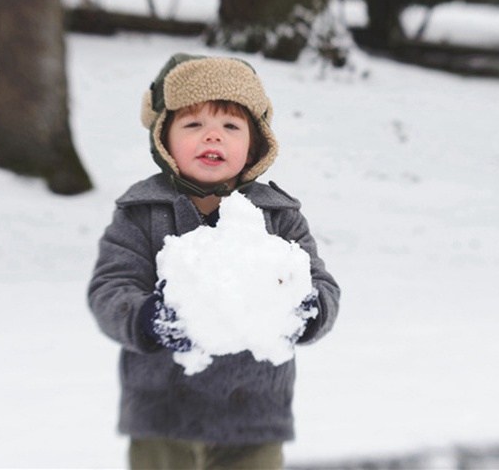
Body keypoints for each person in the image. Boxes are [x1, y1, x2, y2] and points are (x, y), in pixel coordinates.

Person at [88, 53, 340, 470]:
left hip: (253, 413)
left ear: (255, 143)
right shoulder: (141, 212)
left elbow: (319, 283)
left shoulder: (279, 216)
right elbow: (111, 288)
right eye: (193, 125)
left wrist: (308, 311)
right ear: (163, 140)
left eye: (230, 126)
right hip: (163, 413)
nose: (212, 137)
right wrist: (148, 318)